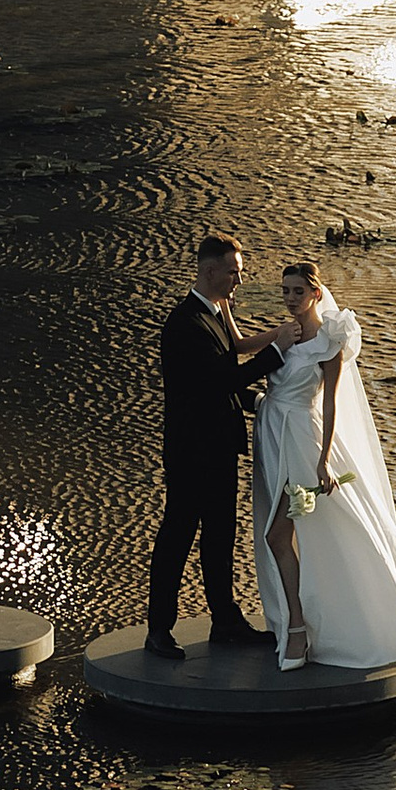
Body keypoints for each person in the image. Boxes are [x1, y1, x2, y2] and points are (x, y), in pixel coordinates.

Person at [252, 260, 396, 674]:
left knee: (287, 532)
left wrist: (323, 460)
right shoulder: (286, 333)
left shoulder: (331, 340)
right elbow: (242, 349)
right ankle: (299, 622)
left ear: (316, 294)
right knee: (281, 535)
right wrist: (227, 312)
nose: (290, 299)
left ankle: (304, 625)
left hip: (303, 438)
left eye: (298, 291)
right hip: (271, 436)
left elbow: (331, 401)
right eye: (285, 291)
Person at [144, 231, 279, 657]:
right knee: (177, 537)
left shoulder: (217, 312)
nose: (239, 280)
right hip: (189, 453)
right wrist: (276, 354)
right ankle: (158, 630)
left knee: (220, 537)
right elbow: (219, 380)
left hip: (219, 447)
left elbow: (220, 384)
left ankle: (226, 621)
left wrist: (260, 403)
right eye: (234, 272)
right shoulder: (184, 324)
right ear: (210, 271)